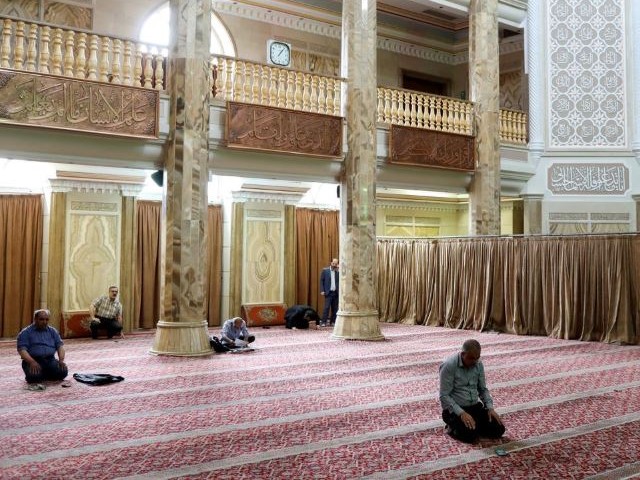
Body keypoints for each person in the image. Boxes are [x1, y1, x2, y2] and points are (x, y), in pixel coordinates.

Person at [439, 339, 505, 443]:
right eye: (471, 358)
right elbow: (444, 396)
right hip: (455, 410)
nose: (474, 361)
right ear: (463, 354)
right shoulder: (449, 365)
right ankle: (452, 427)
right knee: (469, 436)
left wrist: (490, 408)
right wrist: (461, 413)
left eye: (477, 358)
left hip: (474, 407)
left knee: (499, 429)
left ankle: (474, 426)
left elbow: (482, 389)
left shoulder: (478, 364)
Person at [17, 309, 68, 384]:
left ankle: (43, 374)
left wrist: (61, 360)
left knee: (63, 372)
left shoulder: (53, 331)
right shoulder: (25, 333)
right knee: (34, 378)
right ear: (35, 319)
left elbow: (60, 346)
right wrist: (32, 362)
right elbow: (22, 350)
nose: (44, 322)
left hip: (50, 360)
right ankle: (42, 374)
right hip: (33, 360)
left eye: (47, 320)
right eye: (41, 319)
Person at [319, 258, 339, 327]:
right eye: (333, 263)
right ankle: (323, 322)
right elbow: (321, 281)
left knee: (335, 308)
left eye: (336, 264)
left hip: (335, 293)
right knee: (326, 307)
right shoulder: (325, 271)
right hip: (328, 292)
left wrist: (339, 269)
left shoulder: (338, 272)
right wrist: (322, 290)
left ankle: (332, 322)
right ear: (331, 263)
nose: (334, 265)